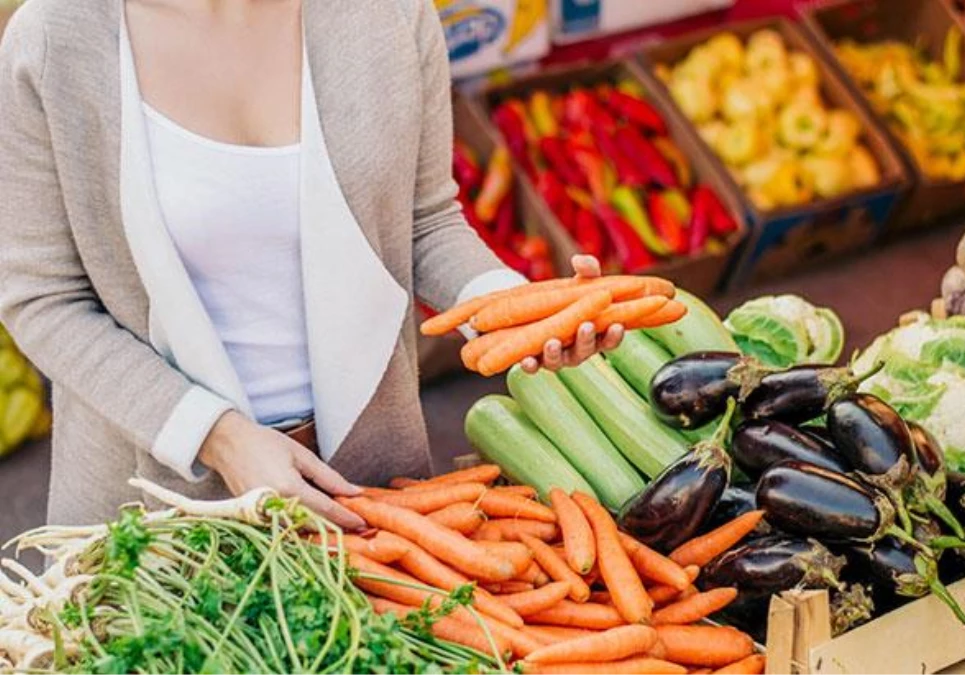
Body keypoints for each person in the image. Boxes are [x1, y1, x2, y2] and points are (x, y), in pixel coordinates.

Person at [0, 0, 622, 530]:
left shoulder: (389, 15)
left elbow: (425, 220)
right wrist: (217, 435)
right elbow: (42, 298)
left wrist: (510, 311)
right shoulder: (55, 39)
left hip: (367, 489)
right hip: (153, 500)